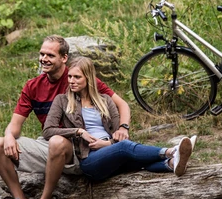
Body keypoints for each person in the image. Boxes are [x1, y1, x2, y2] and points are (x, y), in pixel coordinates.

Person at [0, 35, 132, 199]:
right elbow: (15, 125)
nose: (44, 59)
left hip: (80, 148)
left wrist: (123, 127)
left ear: (64, 58)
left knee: (56, 141)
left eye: (50, 55)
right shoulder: (33, 86)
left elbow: (122, 104)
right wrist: (9, 135)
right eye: (42, 54)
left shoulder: (77, 77)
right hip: (51, 142)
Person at [43, 56, 195, 184]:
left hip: (112, 150)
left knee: (135, 158)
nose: (71, 81)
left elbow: (119, 134)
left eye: (77, 77)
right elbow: (48, 130)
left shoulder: (105, 100)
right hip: (90, 159)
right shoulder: (62, 100)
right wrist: (78, 131)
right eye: (70, 76)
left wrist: (107, 144)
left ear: (88, 78)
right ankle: (171, 151)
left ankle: (172, 163)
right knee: (125, 148)